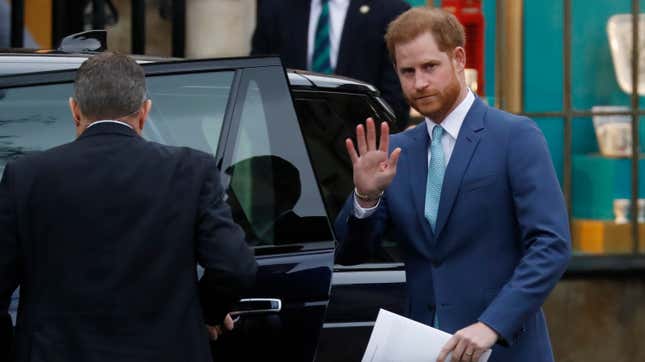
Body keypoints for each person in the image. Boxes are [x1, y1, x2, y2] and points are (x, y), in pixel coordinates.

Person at [334, 8, 571, 362]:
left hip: (505, 348)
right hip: (422, 350)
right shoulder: (396, 151)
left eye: (430, 67)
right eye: (407, 72)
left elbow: (551, 245)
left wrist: (492, 325)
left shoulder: (514, 136)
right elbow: (350, 255)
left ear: (458, 58)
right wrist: (366, 197)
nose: (419, 83)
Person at [0, 52, 257, 362]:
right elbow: (234, 266)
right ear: (144, 112)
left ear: (75, 111)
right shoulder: (191, 170)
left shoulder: (26, 176)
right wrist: (206, 312)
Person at [251, 0, 411, 130]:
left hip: (363, 148)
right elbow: (259, 82)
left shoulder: (391, 10)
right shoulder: (274, 7)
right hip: (286, 143)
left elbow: (395, 101)